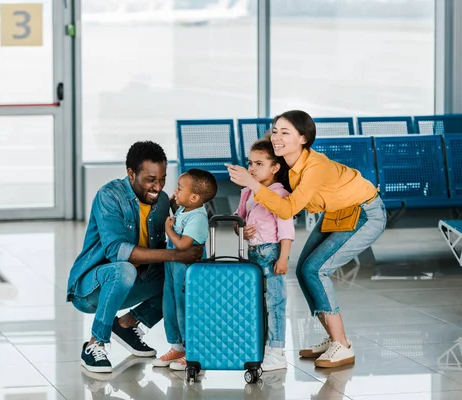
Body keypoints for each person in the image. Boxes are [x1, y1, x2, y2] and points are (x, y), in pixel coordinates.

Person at [226, 110, 387, 369]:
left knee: (316, 269)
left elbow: (287, 209)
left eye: (285, 132)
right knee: (303, 270)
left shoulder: (316, 166)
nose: (277, 137)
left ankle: (342, 344)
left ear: (303, 138)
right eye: (275, 131)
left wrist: (252, 184)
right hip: (338, 214)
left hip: (365, 212)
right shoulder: (287, 166)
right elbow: (268, 201)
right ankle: (334, 338)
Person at [67, 141, 203, 373]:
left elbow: (170, 241)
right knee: (125, 268)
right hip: (92, 289)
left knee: (180, 275)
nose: (158, 187)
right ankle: (95, 343)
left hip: (135, 283)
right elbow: (117, 251)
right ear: (131, 174)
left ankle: (126, 325)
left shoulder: (161, 201)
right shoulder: (109, 196)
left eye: (162, 179)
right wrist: (175, 253)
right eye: (151, 180)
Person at [232, 138, 295, 371]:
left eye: (259, 164)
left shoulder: (280, 194)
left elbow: (286, 230)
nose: (252, 169)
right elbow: (237, 219)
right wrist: (241, 229)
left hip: (271, 253)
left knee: (275, 302)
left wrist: (283, 258)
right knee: (257, 302)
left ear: (275, 168)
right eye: (250, 163)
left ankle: (277, 351)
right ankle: (262, 345)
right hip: (252, 254)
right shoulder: (247, 192)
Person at [153, 169, 218, 370]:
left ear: (195, 197)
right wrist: (176, 202)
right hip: (173, 269)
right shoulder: (185, 209)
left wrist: (168, 230)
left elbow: (182, 245)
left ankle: (193, 350)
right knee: (170, 305)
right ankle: (176, 346)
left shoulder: (198, 217)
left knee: (186, 308)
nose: (175, 191)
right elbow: (179, 212)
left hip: (188, 271)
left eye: (180, 188)